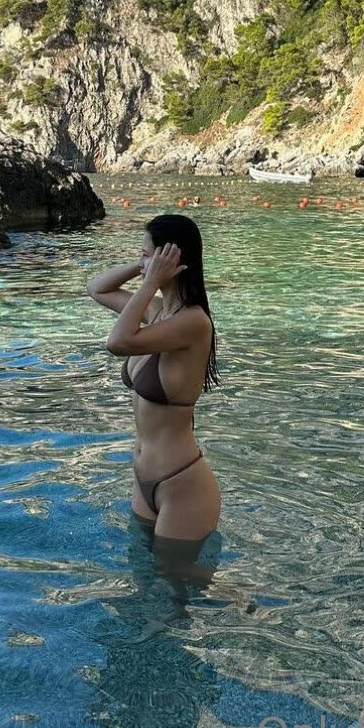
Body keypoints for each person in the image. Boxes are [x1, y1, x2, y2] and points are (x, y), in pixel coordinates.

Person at [86, 213, 221, 543]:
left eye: (147, 254)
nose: (144, 263)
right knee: (143, 574)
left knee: (179, 577)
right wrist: (141, 266)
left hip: (182, 485)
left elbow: (118, 342)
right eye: (144, 255)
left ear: (172, 261)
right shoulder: (158, 311)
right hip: (144, 480)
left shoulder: (193, 323)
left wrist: (149, 281)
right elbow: (97, 288)